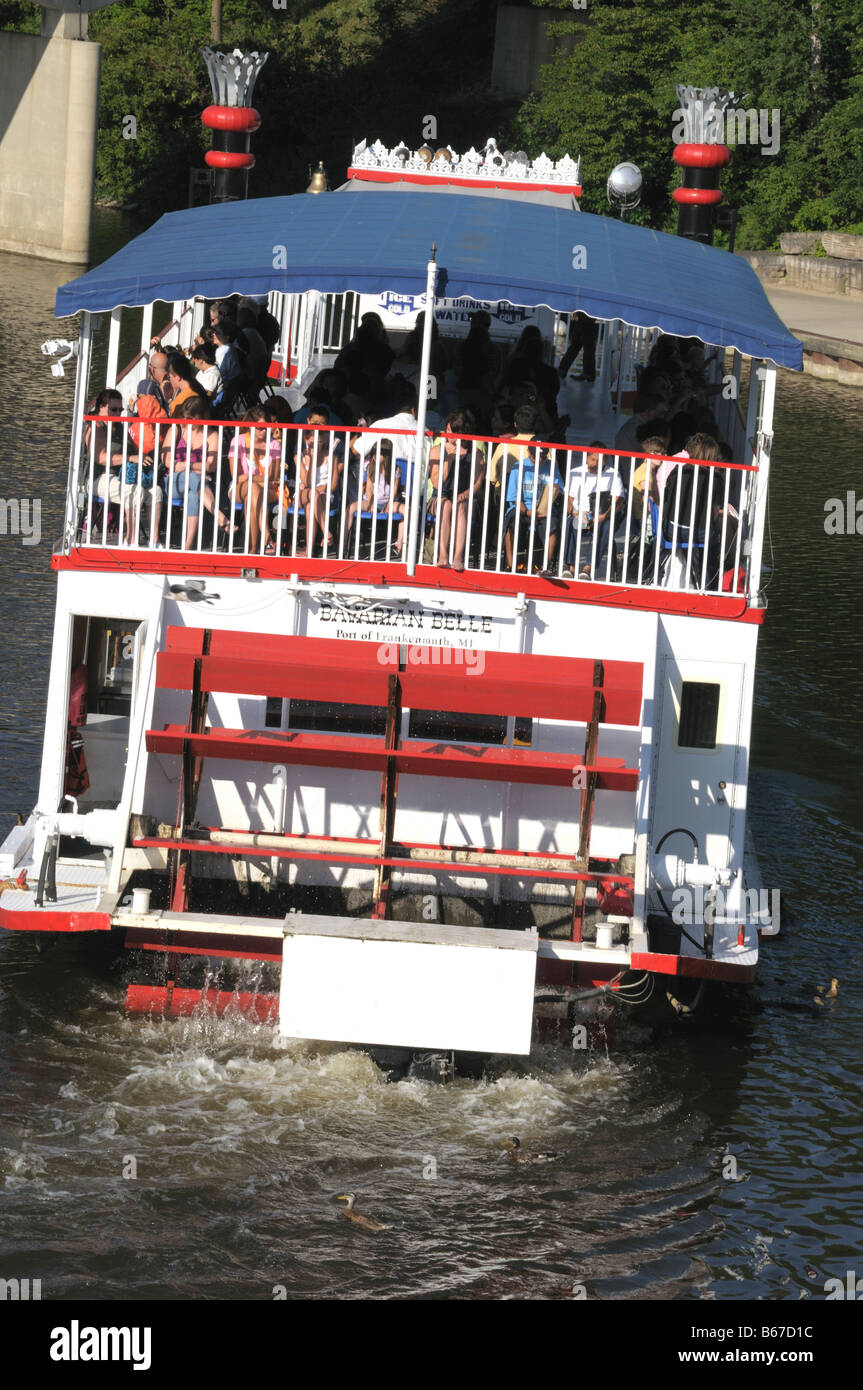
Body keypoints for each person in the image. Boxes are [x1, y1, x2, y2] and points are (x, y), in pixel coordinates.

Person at [166, 396, 233, 550]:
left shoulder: (212, 435)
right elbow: (168, 462)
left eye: (190, 418)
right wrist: (195, 466)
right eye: (184, 417)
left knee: (193, 495)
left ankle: (187, 545)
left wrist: (185, 465)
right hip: (173, 482)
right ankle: (219, 516)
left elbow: (210, 466)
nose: (186, 421)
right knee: (195, 477)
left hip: (196, 487)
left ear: (202, 417)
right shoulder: (176, 429)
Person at [427, 408, 486, 570]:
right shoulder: (436, 451)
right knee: (445, 506)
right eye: (447, 430)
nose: (450, 435)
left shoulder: (475, 453)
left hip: (465, 498)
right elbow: (438, 484)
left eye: (454, 432)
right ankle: (443, 555)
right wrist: (449, 460)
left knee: (460, 508)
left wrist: (464, 495)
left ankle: (458, 556)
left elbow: (477, 483)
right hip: (440, 496)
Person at [502, 432, 563, 572]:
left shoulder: (551, 466)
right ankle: (511, 564)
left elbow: (557, 489)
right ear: (529, 452)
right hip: (522, 507)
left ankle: (544, 567)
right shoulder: (518, 466)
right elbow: (514, 497)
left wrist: (544, 508)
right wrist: (527, 511)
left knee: (552, 527)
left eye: (542, 456)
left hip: (544, 509)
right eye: (535, 456)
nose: (538, 459)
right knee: (511, 523)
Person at [562, 442, 624, 579]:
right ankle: (570, 567)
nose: (595, 463)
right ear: (587, 458)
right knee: (571, 523)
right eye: (593, 459)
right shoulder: (576, 473)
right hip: (580, 515)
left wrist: (603, 516)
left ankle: (587, 568)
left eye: (600, 460)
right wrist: (576, 512)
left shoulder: (613, 474)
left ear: (606, 460)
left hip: (602, 516)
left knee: (606, 526)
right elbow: (569, 500)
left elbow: (618, 501)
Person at [228, 405, 284, 554]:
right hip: (240, 488)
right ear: (250, 426)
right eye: (260, 428)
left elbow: (273, 478)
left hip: (267, 490)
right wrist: (261, 480)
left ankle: (252, 548)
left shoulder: (274, 444)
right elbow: (237, 477)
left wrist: (251, 478)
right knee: (254, 490)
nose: (264, 431)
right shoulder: (238, 441)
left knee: (252, 496)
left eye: (266, 427)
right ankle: (265, 536)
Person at [346, 439, 405, 560]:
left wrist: (388, 506)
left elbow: (394, 491)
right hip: (372, 500)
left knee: (407, 510)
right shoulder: (371, 467)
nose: (374, 456)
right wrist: (371, 504)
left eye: (378, 453)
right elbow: (368, 487)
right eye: (373, 453)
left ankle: (400, 542)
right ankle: (344, 542)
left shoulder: (396, 469)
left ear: (387, 455)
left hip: (389, 501)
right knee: (351, 508)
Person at [298, 406, 344, 556]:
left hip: (323, 496)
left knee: (312, 507)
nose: (315, 446)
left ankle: (308, 551)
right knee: (312, 495)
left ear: (323, 440)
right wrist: (311, 459)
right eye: (312, 443)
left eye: (319, 442)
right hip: (302, 494)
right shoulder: (301, 456)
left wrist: (318, 489)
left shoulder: (332, 456)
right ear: (306, 439)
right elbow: (307, 482)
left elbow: (333, 485)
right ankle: (327, 532)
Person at [558, 311, 597, 382]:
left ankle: (562, 370)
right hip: (586, 317)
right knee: (582, 346)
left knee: (579, 346)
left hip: (586, 317)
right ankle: (588, 374)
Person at [165, 352, 208, 416]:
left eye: (169, 377)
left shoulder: (186, 396)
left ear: (178, 377)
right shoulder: (196, 388)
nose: (169, 380)